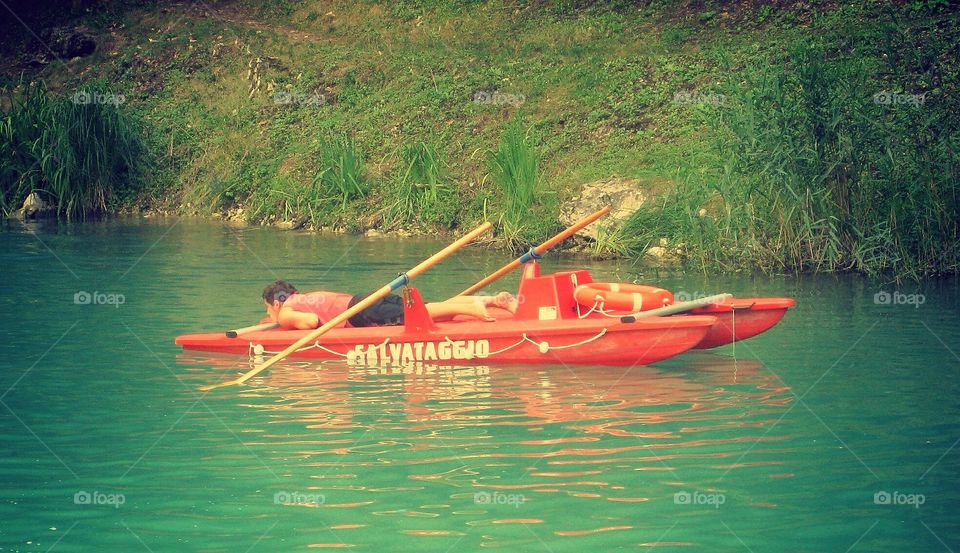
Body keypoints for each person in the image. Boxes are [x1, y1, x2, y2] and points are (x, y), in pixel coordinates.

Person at [262, 280, 518, 330]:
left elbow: (310, 323)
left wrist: (285, 323)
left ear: (275, 302)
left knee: (419, 313)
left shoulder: (286, 310)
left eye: (267, 309)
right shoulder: (309, 296)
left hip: (362, 312)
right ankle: (493, 300)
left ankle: (470, 308)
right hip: (364, 299)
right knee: (431, 309)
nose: (268, 314)